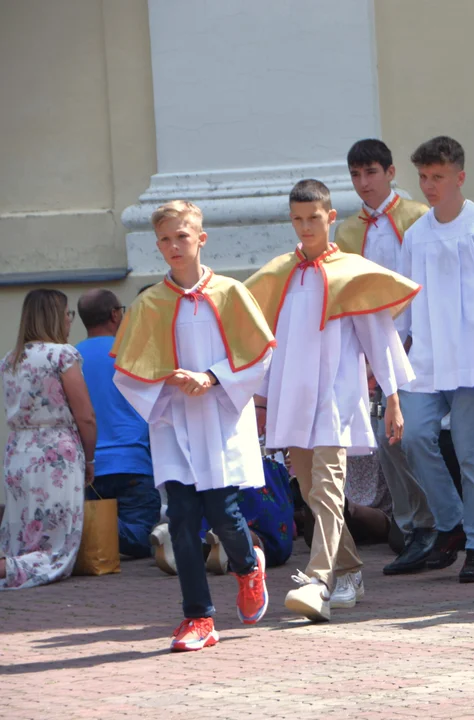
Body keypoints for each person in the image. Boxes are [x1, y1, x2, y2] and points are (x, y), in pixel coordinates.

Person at [247, 179, 417, 622]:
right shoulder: (277, 275)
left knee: (327, 488)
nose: (306, 227)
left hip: (336, 399)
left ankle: (318, 578)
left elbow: (379, 340)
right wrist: (262, 403)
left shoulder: (352, 272)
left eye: (314, 219)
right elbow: (264, 345)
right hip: (290, 401)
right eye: (298, 219)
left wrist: (394, 398)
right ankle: (351, 570)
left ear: (330, 218)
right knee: (312, 493)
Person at [112, 201, 272, 650]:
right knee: (181, 518)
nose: (173, 246)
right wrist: (168, 381)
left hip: (219, 414)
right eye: (164, 239)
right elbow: (130, 370)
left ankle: (247, 565)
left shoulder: (231, 293)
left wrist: (212, 377)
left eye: (181, 236)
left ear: (200, 238)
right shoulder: (149, 304)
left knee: (224, 512)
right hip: (173, 418)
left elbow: (260, 353)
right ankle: (198, 618)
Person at [396, 136, 474, 583]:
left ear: (459, 177)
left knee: (471, 454)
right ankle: (451, 524)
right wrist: (394, 354)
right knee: (414, 438)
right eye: (423, 177)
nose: (429, 185)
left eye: (437, 177)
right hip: (425, 359)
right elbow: (405, 302)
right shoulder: (416, 234)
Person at [333, 139, 437, 575]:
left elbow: (426, 285)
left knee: (415, 437)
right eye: (356, 175)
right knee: (388, 438)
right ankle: (414, 521)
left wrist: (414, 339)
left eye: (371, 173)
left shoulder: (417, 218)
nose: (363, 184)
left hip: (422, 344)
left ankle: (435, 522)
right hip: (378, 348)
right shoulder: (348, 231)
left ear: (391, 173)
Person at [1, 290, 95, 589]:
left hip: (18, 451)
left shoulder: (9, 360)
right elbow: (86, 416)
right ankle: (7, 569)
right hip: (55, 452)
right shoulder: (62, 355)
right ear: (56, 317)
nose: (70, 320)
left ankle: (9, 565)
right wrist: (90, 457)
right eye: (68, 313)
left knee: (23, 531)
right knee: (56, 548)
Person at [75, 289, 159, 559]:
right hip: (134, 462)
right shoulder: (132, 352)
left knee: (104, 544)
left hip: (90, 467)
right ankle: (100, 527)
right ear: (114, 314)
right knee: (145, 540)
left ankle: (93, 526)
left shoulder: (71, 358)